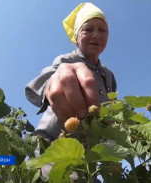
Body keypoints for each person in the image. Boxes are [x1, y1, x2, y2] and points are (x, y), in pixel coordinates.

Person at [25, 2, 117, 142]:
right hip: (54, 145)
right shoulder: (67, 60)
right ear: (76, 37)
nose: (96, 35)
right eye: (88, 29)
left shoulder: (109, 75)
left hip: (90, 152)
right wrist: (50, 85)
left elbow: (111, 108)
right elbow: (49, 77)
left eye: (102, 30)